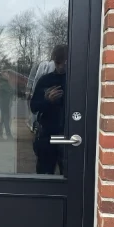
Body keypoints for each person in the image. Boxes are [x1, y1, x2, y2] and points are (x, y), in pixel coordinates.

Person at [30, 45, 67, 174]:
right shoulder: (45, 80)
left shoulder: (78, 80)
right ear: (53, 61)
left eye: (64, 62)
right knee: (44, 176)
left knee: (70, 177)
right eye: (57, 63)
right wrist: (47, 100)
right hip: (47, 135)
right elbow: (34, 107)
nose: (61, 66)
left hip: (69, 135)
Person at [0, 70, 13, 140]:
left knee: (3, 120)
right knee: (6, 120)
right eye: (6, 75)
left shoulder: (4, 83)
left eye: (8, 75)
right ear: (2, 76)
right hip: (4, 104)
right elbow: (11, 91)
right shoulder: (3, 84)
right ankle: (8, 136)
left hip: (4, 104)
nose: (8, 76)